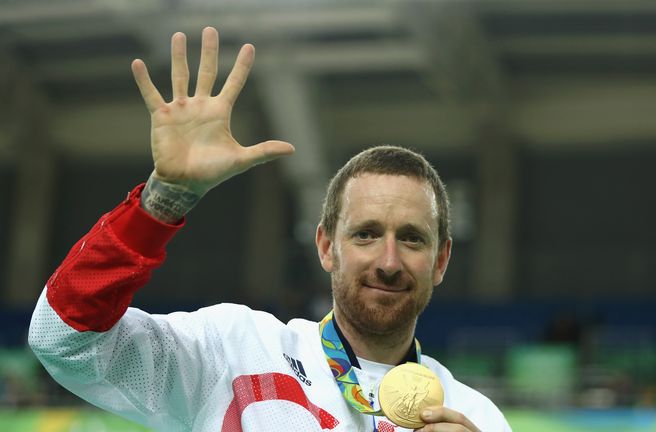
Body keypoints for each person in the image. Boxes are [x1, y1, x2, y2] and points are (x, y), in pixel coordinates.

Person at [28, 27, 512, 432]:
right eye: (365, 234)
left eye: (411, 238)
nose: (388, 262)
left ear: (442, 260)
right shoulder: (233, 351)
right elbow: (62, 338)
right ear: (326, 246)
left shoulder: (475, 418)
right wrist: (162, 202)